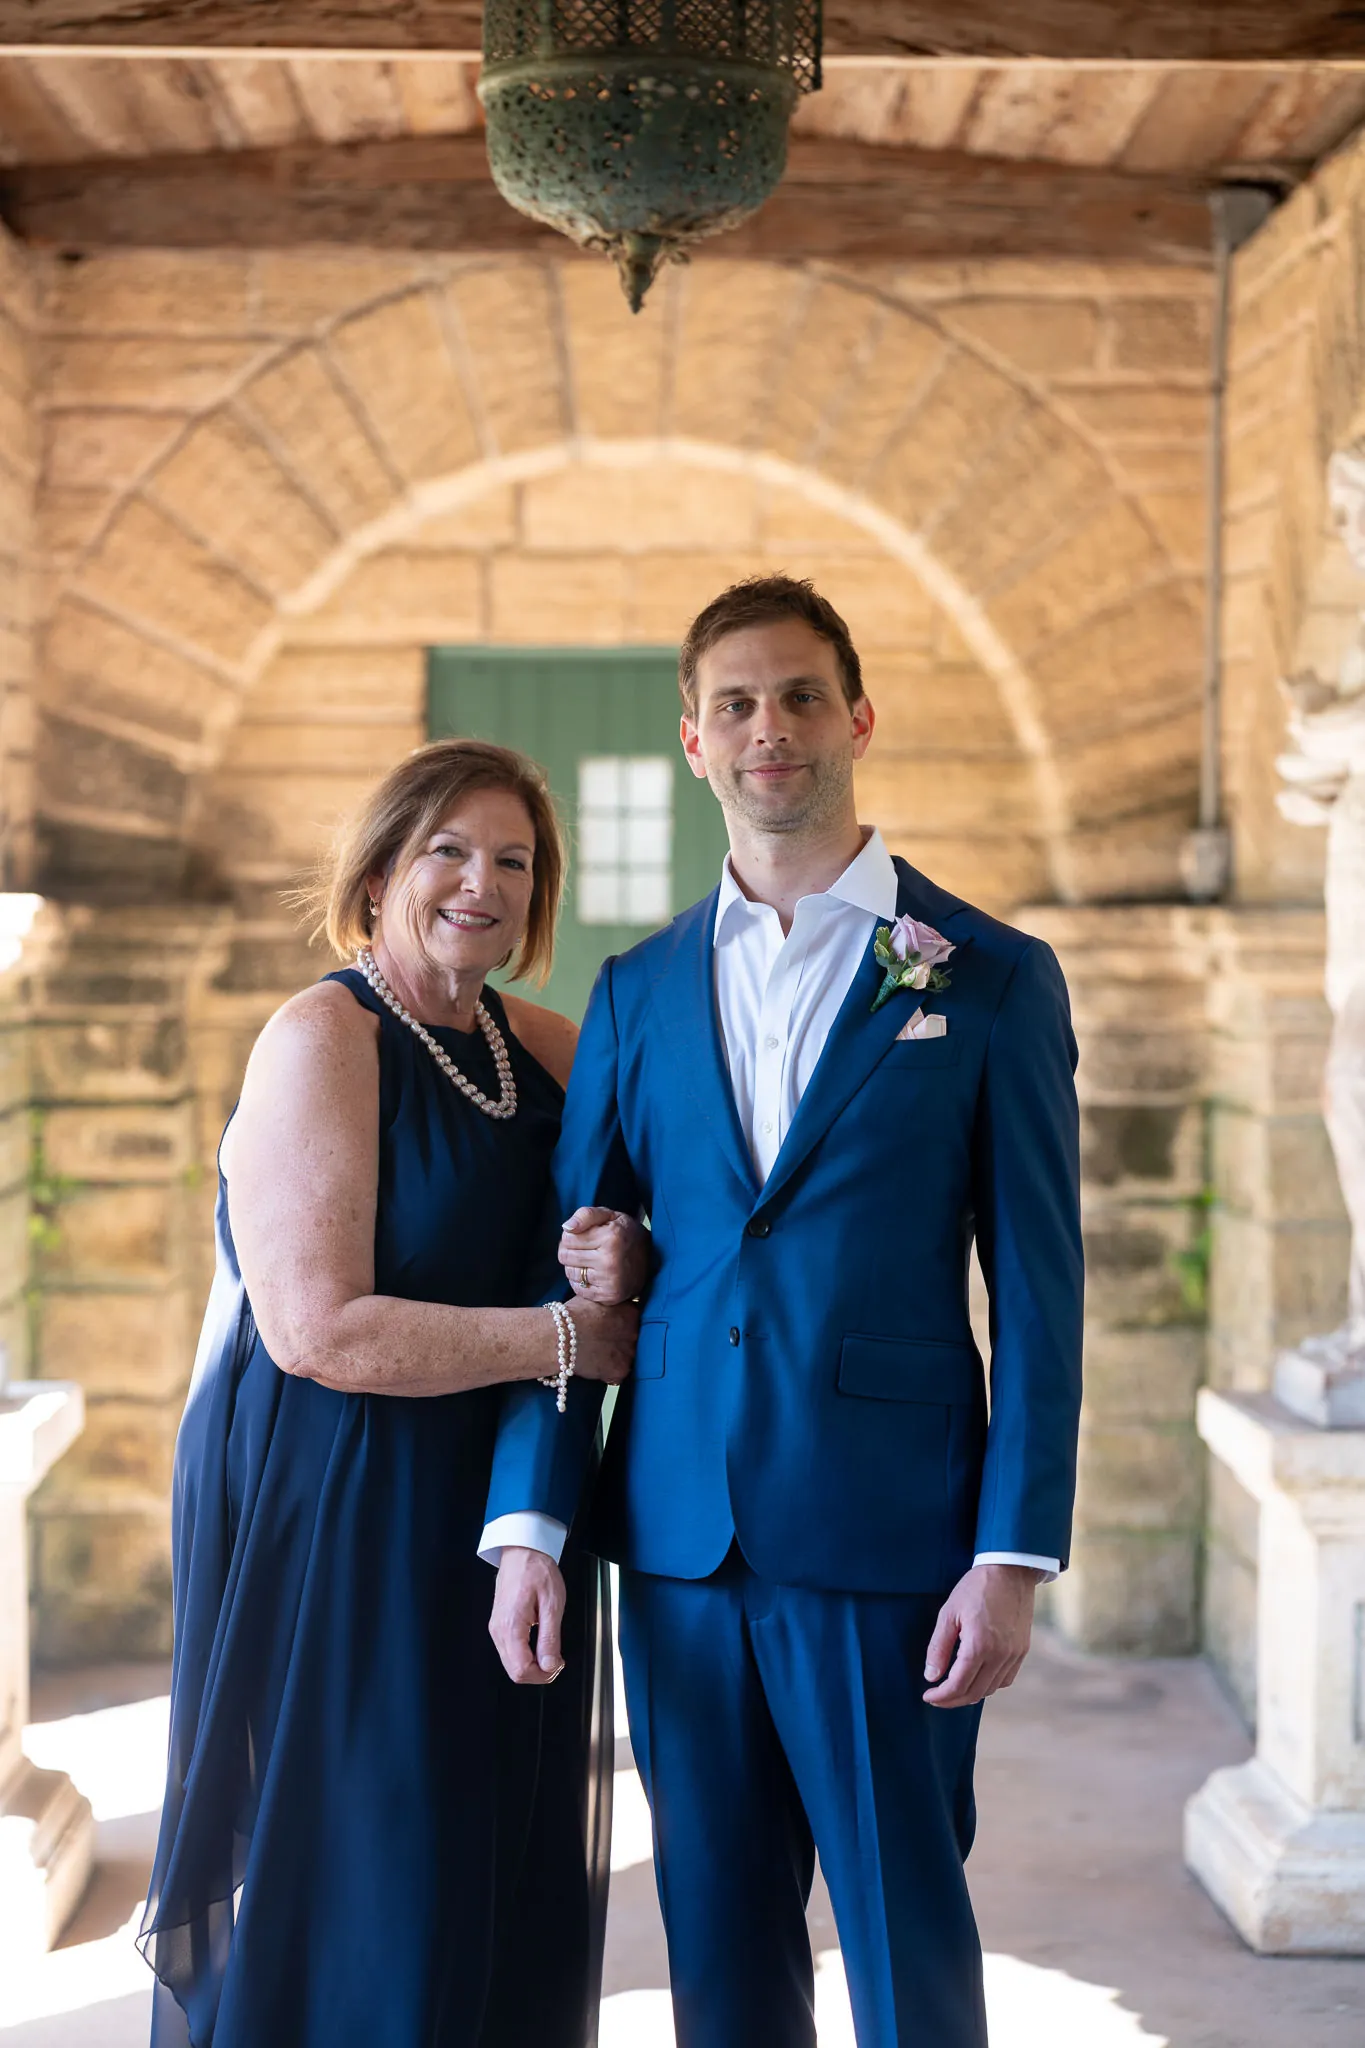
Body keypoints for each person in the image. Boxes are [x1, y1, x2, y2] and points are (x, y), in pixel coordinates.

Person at [483, 578, 1084, 2048]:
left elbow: (1045, 1291)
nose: (772, 728)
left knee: (907, 1941)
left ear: (858, 719)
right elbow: (576, 1269)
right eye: (737, 704)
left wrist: (1011, 1553)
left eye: (802, 695)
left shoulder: (991, 980)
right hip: (681, 1542)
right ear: (695, 741)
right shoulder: (633, 994)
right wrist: (532, 1525)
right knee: (721, 1952)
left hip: (892, 1540)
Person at [139, 739, 644, 2048]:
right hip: (342, 1491)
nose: (484, 883)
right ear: (380, 873)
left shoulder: (545, 1047)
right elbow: (319, 1331)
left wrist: (627, 1260)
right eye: (450, 852)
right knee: (373, 1854)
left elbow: (621, 1240)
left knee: (488, 1838)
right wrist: (567, 1339)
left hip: (495, 1488)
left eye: (515, 862)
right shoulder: (322, 1036)